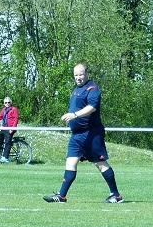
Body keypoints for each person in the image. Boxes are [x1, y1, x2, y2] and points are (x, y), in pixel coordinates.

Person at [43, 63, 123, 204]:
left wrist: (74, 115)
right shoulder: (76, 90)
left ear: (86, 74)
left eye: (81, 74)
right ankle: (62, 196)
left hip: (91, 133)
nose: (78, 78)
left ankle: (115, 195)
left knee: (100, 163)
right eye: (76, 75)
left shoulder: (92, 88)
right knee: (70, 162)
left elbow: (91, 108)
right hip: (77, 135)